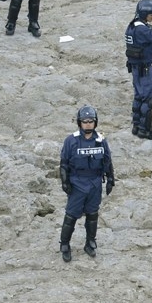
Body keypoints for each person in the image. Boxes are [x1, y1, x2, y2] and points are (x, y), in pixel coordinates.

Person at [58, 106, 114, 262]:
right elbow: (63, 164)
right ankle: (64, 244)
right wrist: (65, 182)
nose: (88, 124)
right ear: (79, 122)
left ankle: (90, 242)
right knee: (71, 215)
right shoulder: (71, 140)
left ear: (95, 122)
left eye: (91, 121)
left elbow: (108, 161)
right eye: (85, 121)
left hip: (95, 183)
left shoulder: (101, 140)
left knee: (92, 214)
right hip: (77, 183)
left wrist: (110, 179)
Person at [125, 0, 152, 140]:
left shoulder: (132, 27)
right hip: (144, 69)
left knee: (138, 96)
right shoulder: (142, 29)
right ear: (145, 14)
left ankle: (136, 126)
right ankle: (145, 129)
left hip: (135, 67)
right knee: (148, 99)